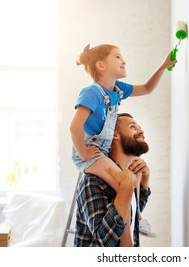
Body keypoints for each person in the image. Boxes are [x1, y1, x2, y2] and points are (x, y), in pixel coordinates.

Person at [70, 44, 175, 244]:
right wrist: (83, 153)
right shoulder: (91, 92)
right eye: (118, 56)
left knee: (127, 183)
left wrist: (163, 66)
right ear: (100, 66)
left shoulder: (117, 90)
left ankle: (137, 224)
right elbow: (74, 126)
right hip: (91, 154)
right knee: (123, 183)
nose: (124, 60)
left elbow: (146, 88)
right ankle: (134, 234)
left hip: (101, 152)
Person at [75, 113, 152, 247]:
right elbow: (104, 241)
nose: (141, 131)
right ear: (114, 134)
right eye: (133, 127)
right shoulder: (92, 181)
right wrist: (125, 189)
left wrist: (145, 178)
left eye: (139, 127)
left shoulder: (128, 175)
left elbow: (133, 210)